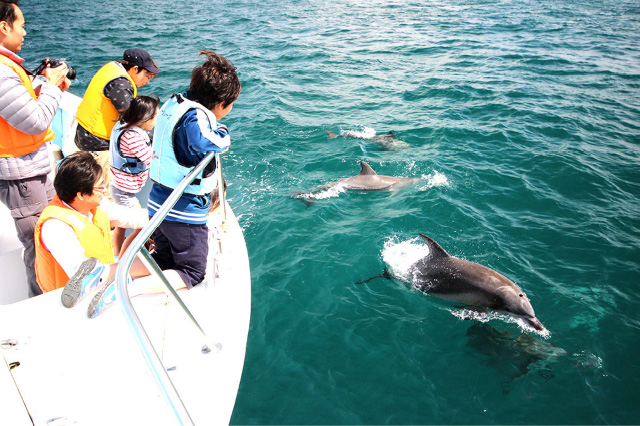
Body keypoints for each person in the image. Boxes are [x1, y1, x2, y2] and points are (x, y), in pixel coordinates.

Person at [146, 50, 240, 291]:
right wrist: (223, 134)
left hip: (158, 203)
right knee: (193, 272)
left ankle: (107, 274)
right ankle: (118, 291)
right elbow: (206, 140)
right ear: (221, 104)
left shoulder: (176, 103)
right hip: (182, 210)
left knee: (163, 259)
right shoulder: (194, 118)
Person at [0, 0, 71, 297]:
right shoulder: (3, 72)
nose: (25, 32)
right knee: (41, 240)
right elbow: (37, 120)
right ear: (4, 27)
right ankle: (42, 302)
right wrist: (52, 86)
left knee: (45, 236)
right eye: (22, 25)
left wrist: (42, 88)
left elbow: (21, 110)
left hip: (26, 168)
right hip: (22, 175)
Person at [74, 48, 159, 196]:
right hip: (98, 145)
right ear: (135, 69)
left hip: (84, 135)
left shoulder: (112, 69)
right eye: (147, 76)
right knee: (106, 195)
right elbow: (135, 118)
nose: (147, 81)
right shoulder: (120, 84)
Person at [108, 94, 159, 255]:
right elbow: (152, 160)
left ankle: (117, 255)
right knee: (143, 225)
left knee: (121, 226)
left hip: (118, 186)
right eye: (155, 116)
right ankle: (123, 261)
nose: (157, 120)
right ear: (145, 119)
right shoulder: (132, 137)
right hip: (125, 192)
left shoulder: (122, 125)